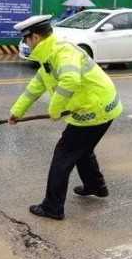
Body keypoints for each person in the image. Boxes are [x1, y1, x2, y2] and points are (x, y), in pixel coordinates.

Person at [9, 15, 124, 220]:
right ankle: (96, 186)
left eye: (26, 39)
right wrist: (17, 112)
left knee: (63, 156)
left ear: (35, 37)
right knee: (82, 150)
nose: (25, 43)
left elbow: (70, 80)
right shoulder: (48, 55)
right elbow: (35, 87)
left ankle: (52, 207)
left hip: (94, 109)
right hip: (99, 107)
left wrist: (55, 109)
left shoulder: (62, 52)